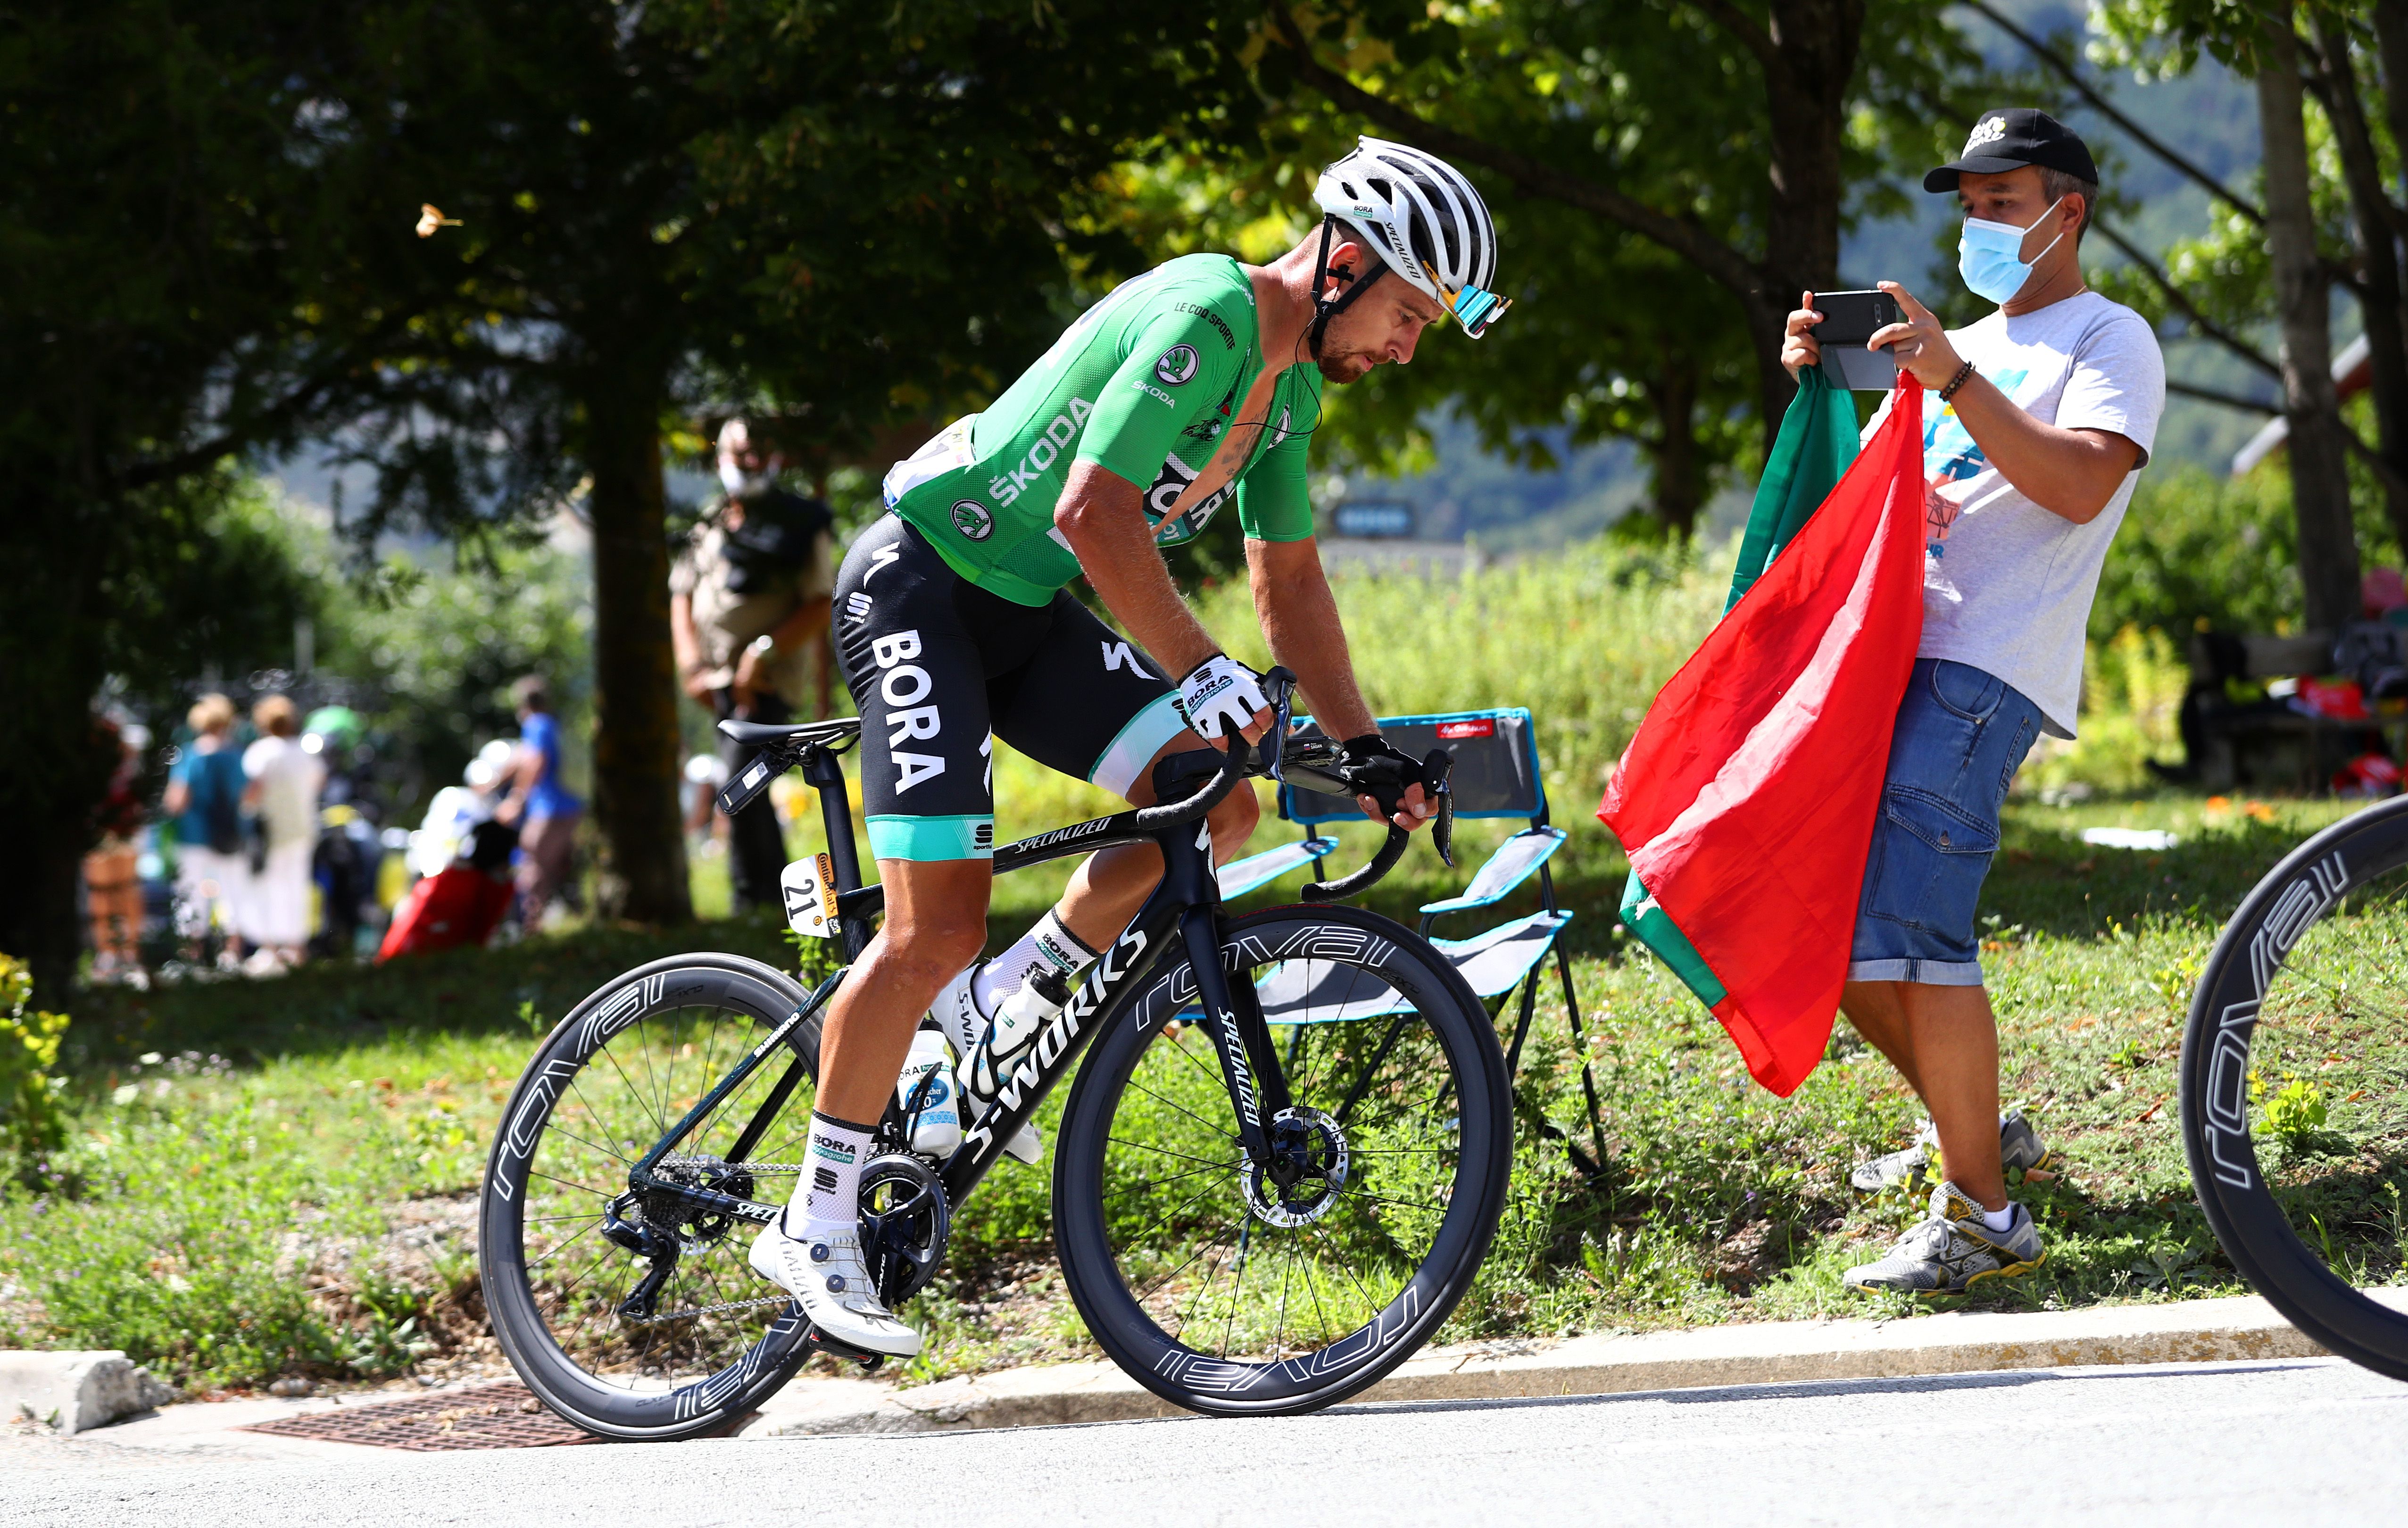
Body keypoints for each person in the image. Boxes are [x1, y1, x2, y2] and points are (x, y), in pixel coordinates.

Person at [748, 136, 1505, 1356]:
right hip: (922, 589)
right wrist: (1198, 667)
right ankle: (813, 1218)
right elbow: (1089, 512)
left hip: (1024, 612)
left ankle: (999, 1007)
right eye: (1408, 316)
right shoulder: (1206, 313)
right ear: (1347, 262)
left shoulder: (1289, 393)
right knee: (930, 922)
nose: (1404, 349)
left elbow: (1290, 583)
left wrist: (1363, 750)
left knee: (1214, 805)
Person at [1781, 108, 2164, 1294]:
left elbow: (2079, 481)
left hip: (1985, 668)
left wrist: (1953, 376)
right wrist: (1824, 395)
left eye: (2005, 202)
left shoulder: (2110, 336)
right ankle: (1977, 1137)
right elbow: (1905, 495)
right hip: (1894, 657)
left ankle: (1985, 1216)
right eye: (1970, 205)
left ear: (2068, 212)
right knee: (1835, 937)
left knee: (1911, 934)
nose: (1981, 223)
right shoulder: (1957, 343)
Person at [669, 418, 838, 913]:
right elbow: (681, 594)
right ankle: (777, 902)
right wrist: (690, 668)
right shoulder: (707, 522)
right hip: (716, 681)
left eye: (760, 452)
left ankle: (756, 900)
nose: (750, 462)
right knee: (747, 790)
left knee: (739, 785)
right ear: (720, 455)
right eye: (741, 451)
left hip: (765, 683)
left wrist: (760, 654)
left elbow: (818, 602)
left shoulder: (804, 520)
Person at [236, 694, 325, 972]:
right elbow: (319, 784)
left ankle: (271, 949)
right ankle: (297, 949)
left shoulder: (261, 752)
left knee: (267, 888)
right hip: (303, 830)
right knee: (296, 888)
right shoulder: (305, 753)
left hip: (270, 833)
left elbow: (252, 793)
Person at [491, 676, 583, 924]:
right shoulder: (551, 724)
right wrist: (491, 784)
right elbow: (521, 758)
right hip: (570, 804)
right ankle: (566, 916)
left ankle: (531, 925)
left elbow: (535, 761)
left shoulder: (537, 724)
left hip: (551, 807)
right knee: (556, 864)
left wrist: (516, 800)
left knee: (532, 861)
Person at [164, 693, 247, 963]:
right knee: (232, 895)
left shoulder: (191, 755)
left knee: (190, 896)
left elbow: (177, 800)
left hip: (194, 835)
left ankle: (191, 955)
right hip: (230, 836)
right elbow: (246, 796)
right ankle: (231, 953)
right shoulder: (236, 755)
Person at [83, 716, 149, 985]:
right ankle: (108, 952)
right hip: (99, 832)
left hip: (124, 830)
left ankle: (131, 952)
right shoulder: (90, 765)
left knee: (126, 888)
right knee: (101, 892)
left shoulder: (128, 762)